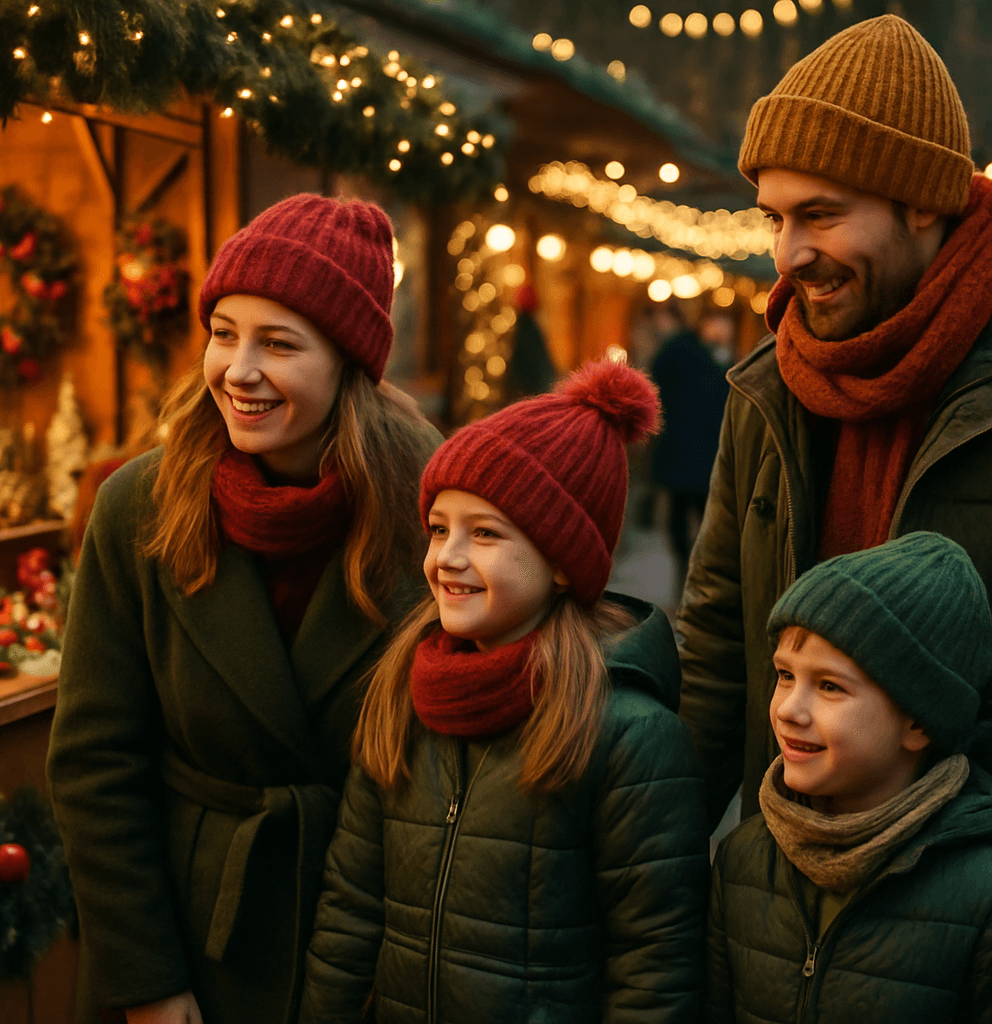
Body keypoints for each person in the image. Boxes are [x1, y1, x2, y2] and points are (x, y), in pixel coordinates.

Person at [47, 194, 441, 1024]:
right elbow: (95, 763)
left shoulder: (428, 515)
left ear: (348, 364)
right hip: (185, 932)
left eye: (279, 343)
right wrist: (146, 980)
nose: (237, 370)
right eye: (223, 333)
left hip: (363, 932)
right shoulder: (136, 507)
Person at [301, 361, 709, 1023]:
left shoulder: (630, 736)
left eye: (485, 532)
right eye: (438, 528)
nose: (447, 557)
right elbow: (349, 908)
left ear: (558, 558)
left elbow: (655, 969)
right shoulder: (402, 697)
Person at [677, 14, 992, 827]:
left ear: (922, 203)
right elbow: (716, 651)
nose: (786, 254)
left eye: (820, 214)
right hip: (777, 885)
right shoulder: (767, 387)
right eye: (775, 218)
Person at [706, 532, 992, 1023]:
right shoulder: (743, 859)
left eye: (830, 686)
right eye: (785, 674)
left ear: (918, 721)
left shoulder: (980, 890)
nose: (789, 710)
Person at [650, 313, 730, 590]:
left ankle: (687, 575)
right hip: (697, 450)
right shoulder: (705, 355)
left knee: (686, 517)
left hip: (687, 449)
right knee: (698, 517)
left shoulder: (707, 354)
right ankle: (691, 575)